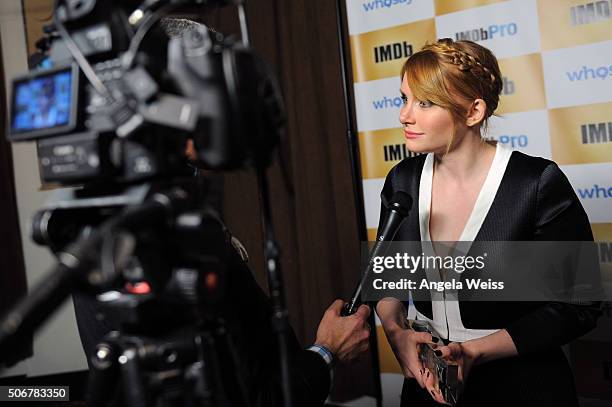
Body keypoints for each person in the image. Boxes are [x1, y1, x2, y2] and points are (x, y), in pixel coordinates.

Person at [375, 38, 601, 406]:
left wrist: (476, 352)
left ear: (474, 111)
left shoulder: (535, 183)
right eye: (404, 99)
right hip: (426, 388)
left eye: (425, 103)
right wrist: (396, 332)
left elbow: (580, 305)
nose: (405, 115)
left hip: (523, 387)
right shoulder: (402, 180)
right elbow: (389, 278)